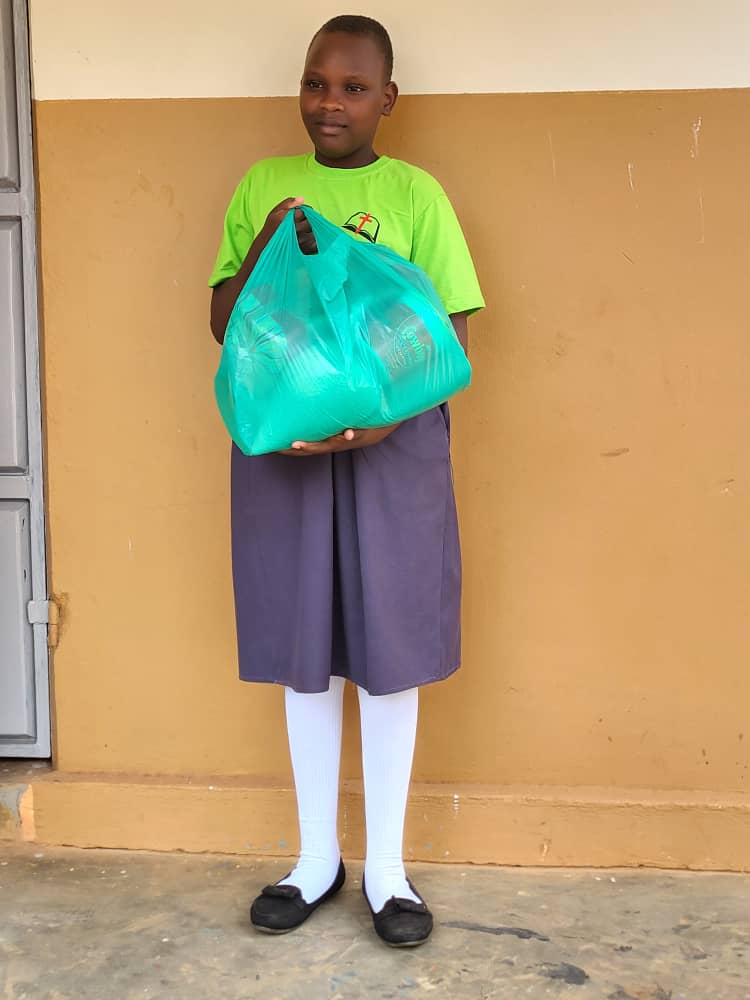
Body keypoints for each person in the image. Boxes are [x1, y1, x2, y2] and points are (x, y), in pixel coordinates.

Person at [208, 14, 484, 947]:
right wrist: (267, 242)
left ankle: (388, 873)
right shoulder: (263, 186)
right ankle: (315, 860)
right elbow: (226, 323)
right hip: (286, 446)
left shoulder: (415, 195)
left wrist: (385, 422)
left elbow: (446, 339)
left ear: (388, 99)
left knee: (390, 650)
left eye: (354, 87)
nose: (331, 103)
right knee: (305, 649)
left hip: (392, 450)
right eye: (316, 83)